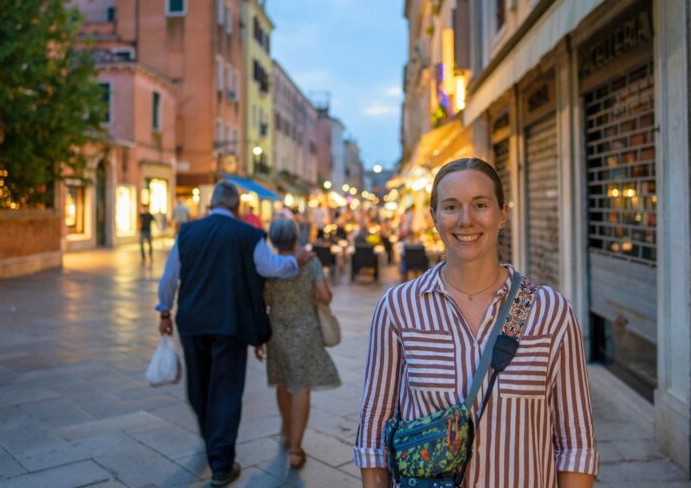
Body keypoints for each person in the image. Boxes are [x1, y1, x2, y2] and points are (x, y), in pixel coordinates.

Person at [354, 158, 597, 488]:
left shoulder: (550, 313)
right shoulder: (398, 309)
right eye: (451, 206)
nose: (466, 220)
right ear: (435, 217)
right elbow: (373, 436)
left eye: (480, 205)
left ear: (502, 214)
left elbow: (576, 444)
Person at [157, 182, 313, 487]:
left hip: (192, 322)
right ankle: (221, 463)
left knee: (199, 388)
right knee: (226, 392)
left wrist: (164, 312)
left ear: (211, 204)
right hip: (229, 324)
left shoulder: (187, 233)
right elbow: (270, 267)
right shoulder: (248, 235)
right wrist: (297, 260)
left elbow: (169, 277)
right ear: (237, 207)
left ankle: (212, 439)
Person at [254, 219, 341, 469]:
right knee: (301, 387)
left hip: (277, 331)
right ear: (295, 237)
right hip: (305, 331)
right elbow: (325, 295)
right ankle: (295, 449)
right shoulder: (310, 261)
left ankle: (286, 432)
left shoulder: (268, 265)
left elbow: (263, 300)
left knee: (282, 382)